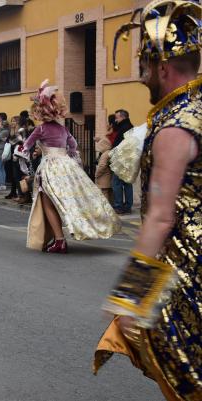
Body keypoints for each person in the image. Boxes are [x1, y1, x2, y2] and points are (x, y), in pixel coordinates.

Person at [94, 2, 202, 399]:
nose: (139, 74)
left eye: (143, 63)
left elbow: (159, 217)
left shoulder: (174, 126)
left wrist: (129, 298)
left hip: (186, 269)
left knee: (182, 372)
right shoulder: (196, 109)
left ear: (161, 67)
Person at [23, 79, 121, 253]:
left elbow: (25, 147)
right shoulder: (64, 130)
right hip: (67, 167)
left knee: (48, 202)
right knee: (70, 200)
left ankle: (59, 240)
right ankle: (60, 236)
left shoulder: (41, 129)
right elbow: (74, 148)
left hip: (49, 168)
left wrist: (28, 155)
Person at [111, 109, 134, 214]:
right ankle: (128, 206)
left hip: (121, 159)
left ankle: (119, 206)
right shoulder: (130, 127)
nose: (116, 120)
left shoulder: (124, 128)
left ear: (123, 117)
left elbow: (118, 144)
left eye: (117, 117)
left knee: (116, 183)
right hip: (129, 159)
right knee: (127, 183)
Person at [94, 136, 113, 203]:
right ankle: (111, 206)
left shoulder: (104, 155)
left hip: (104, 177)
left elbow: (102, 165)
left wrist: (96, 174)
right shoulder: (110, 152)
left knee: (105, 192)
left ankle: (107, 208)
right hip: (109, 176)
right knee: (110, 193)